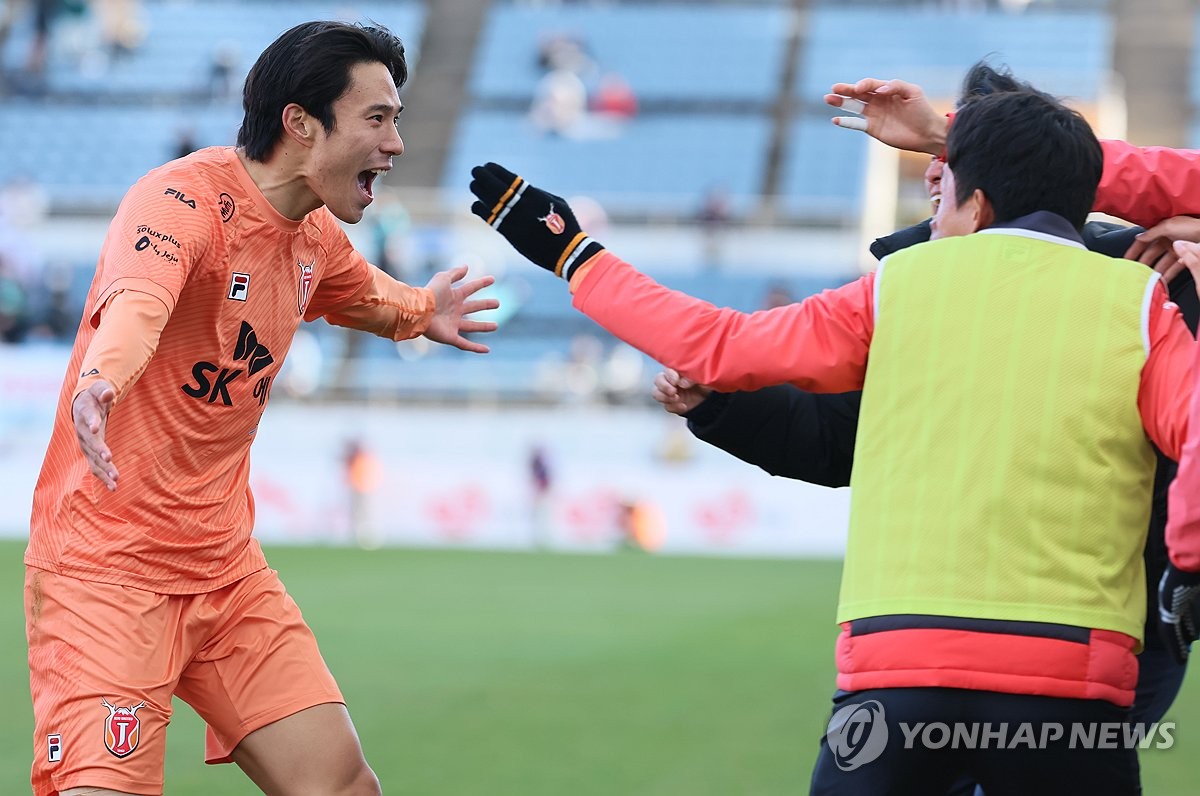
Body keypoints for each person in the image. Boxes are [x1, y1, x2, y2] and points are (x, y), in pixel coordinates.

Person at [470, 88, 1199, 793]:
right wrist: (1191, 560)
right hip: (1070, 679)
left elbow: (719, 346)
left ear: (976, 206)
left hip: (896, 670)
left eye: (940, 196)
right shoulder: (1143, 306)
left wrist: (577, 257)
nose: (933, 212)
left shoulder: (899, 286)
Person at [25, 20, 498, 796]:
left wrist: (423, 310)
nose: (396, 144)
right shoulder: (178, 200)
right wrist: (102, 378)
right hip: (105, 575)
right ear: (301, 122)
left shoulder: (314, 236)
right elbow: (140, 301)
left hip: (224, 572)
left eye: (399, 121)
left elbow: (368, 296)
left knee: (343, 787)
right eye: (377, 119)